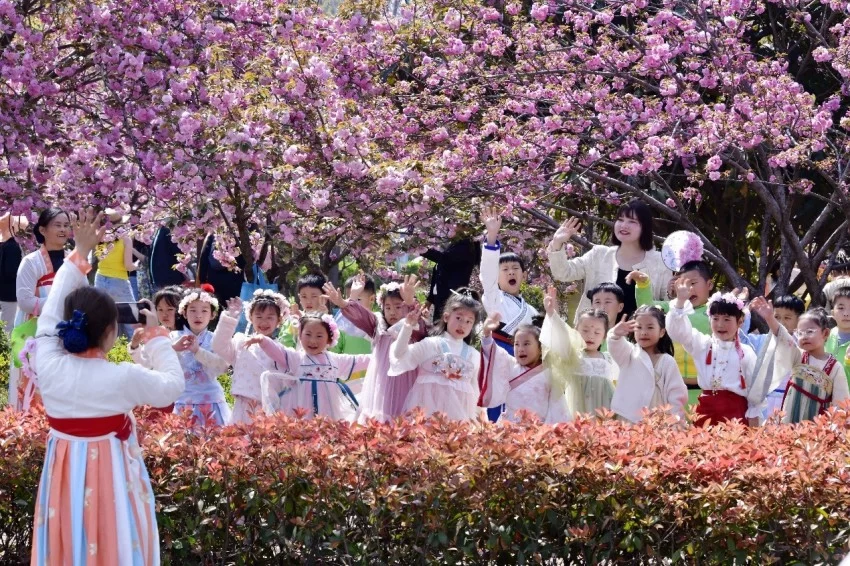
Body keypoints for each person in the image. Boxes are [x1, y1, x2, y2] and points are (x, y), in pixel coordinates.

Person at [28, 211, 184, 565]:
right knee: (114, 535)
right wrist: (157, 335)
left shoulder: (49, 363)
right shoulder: (123, 377)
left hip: (63, 473)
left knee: (66, 537)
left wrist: (79, 254)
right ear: (112, 333)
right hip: (111, 475)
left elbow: (51, 314)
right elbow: (172, 386)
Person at [323, 275, 427, 422]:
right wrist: (342, 302)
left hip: (407, 380)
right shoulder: (377, 325)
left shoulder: (413, 326)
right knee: (382, 418)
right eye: (388, 307)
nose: (392, 312)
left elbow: (421, 330)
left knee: (406, 419)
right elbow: (360, 316)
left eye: (398, 307)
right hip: (382, 382)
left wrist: (410, 302)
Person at [547, 200, 672, 321]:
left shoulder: (660, 262)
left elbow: (669, 303)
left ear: (645, 227)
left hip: (641, 338)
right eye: (620, 220)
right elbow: (563, 273)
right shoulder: (599, 255)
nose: (624, 225)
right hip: (595, 336)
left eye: (632, 221)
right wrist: (557, 242)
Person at [666, 281, 760, 427]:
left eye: (727, 319)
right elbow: (678, 332)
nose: (720, 325)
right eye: (715, 319)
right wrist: (680, 301)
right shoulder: (703, 345)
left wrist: (754, 424)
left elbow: (755, 392)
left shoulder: (746, 353)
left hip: (735, 414)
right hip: (705, 410)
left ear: (740, 321)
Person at [479, 205, 540, 420]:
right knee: (499, 397)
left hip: (525, 355)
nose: (511, 272)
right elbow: (486, 273)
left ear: (523, 274)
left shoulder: (531, 310)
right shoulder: (493, 297)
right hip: (500, 351)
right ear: (496, 276)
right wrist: (492, 236)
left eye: (515, 268)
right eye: (504, 269)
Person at [478, 288, 573, 424]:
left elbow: (557, 407)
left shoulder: (550, 372)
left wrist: (552, 315)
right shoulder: (510, 364)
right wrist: (487, 333)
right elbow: (493, 352)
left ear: (540, 348)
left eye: (527, 344)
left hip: (539, 430)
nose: (520, 349)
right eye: (517, 344)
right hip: (510, 427)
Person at [252, 312, 370, 421]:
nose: (313, 341)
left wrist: (381, 356)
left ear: (329, 338)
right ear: (300, 336)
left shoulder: (335, 360)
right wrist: (263, 340)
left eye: (319, 336)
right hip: (299, 407)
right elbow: (278, 351)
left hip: (329, 411)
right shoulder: (297, 358)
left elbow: (362, 360)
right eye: (308, 334)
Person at [389, 289, 485, 421]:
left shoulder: (473, 355)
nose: (462, 324)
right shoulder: (430, 345)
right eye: (458, 318)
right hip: (427, 417)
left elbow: (475, 389)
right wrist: (407, 327)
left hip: (458, 422)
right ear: (446, 317)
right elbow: (399, 355)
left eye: (469, 321)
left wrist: (479, 418)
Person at [10, 207, 72, 411]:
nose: (63, 230)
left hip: (67, 332)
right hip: (35, 333)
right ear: (43, 230)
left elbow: (85, 293)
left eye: (66, 225)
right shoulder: (30, 262)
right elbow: (25, 301)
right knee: (32, 385)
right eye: (58, 225)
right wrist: (59, 304)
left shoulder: (75, 259)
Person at [750, 299, 849, 423]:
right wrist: (770, 318)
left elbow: (842, 405)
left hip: (816, 431)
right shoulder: (798, 356)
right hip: (788, 426)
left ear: (825, 333)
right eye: (801, 333)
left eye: (810, 331)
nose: (805, 336)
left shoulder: (835, 367)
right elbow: (783, 338)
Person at [212, 290, 290, 424]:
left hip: (271, 409)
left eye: (270, 317)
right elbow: (219, 345)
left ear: (279, 320)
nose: (264, 322)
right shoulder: (241, 342)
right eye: (259, 317)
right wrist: (230, 319)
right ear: (251, 318)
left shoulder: (281, 350)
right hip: (243, 407)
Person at [609, 306, 688, 423]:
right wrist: (615, 335)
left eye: (650, 327)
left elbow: (676, 393)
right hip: (628, 416)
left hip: (657, 417)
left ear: (662, 332)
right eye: (638, 327)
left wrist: (675, 419)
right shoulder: (628, 353)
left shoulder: (667, 361)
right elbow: (616, 346)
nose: (643, 332)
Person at [171, 289, 232, 426]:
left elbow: (223, 367)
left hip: (211, 399)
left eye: (204, 311)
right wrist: (173, 349)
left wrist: (198, 351)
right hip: (184, 400)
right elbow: (159, 364)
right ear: (184, 313)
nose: (198, 315)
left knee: (215, 444)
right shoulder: (174, 337)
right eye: (192, 310)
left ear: (212, 315)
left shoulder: (216, 339)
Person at [94, 212, 138, 339]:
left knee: (106, 319)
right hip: (119, 281)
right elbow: (128, 265)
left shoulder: (100, 236)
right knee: (130, 320)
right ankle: (133, 352)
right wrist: (138, 265)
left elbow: (100, 257)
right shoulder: (126, 239)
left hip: (100, 279)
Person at [330, 274, 376, 356]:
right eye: (348, 299)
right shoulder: (343, 322)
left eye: (358, 299)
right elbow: (333, 352)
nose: (351, 304)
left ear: (371, 299)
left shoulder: (378, 321)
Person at [279, 273, 329, 348]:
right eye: (304, 296)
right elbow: (284, 344)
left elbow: (333, 347)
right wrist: (294, 325)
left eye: (314, 296)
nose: (308, 301)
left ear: (325, 297)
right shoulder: (292, 319)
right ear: (299, 297)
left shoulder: (329, 321)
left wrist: (324, 320)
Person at [0, 212, 24, 335]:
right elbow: (11, 271)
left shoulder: (4, 245)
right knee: (7, 327)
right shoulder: (12, 247)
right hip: (9, 293)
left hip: (4, 291)